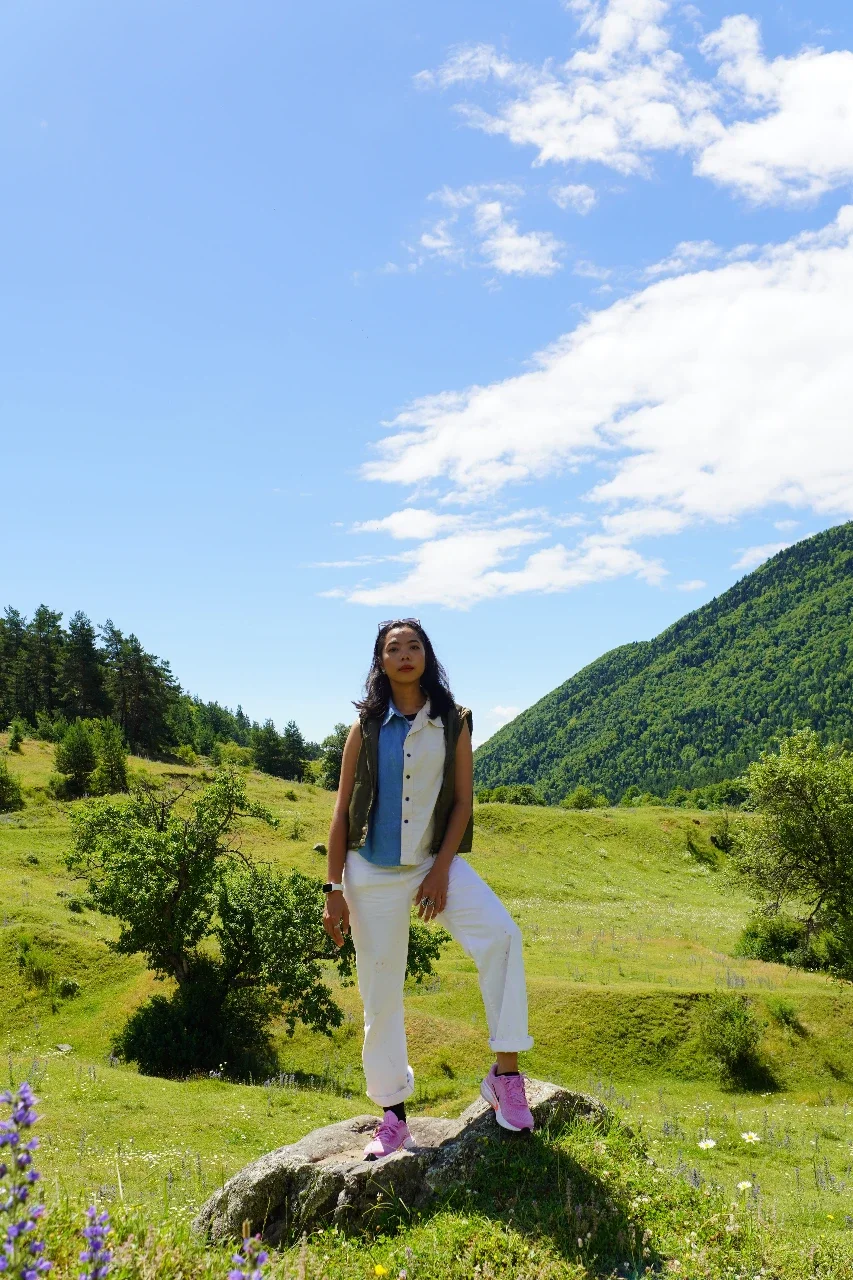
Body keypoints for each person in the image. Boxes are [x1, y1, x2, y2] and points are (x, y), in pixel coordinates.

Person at [322, 617, 534, 1161]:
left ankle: (504, 1077)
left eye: (414, 645)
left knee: (503, 936)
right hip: (369, 875)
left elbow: (463, 801)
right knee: (381, 994)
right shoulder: (365, 727)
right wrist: (333, 888)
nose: (405, 653)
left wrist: (440, 871)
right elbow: (342, 810)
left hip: (431, 864)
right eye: (394, 647)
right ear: (381, 662)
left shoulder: (453, 722)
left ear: (427, 655)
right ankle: (393, 1118)